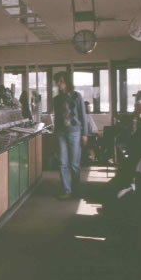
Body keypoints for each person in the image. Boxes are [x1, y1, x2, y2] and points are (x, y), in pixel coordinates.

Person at [52, 71, 87, 199]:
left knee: (74, 164)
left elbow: (83, 116)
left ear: (67, 82)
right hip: (61, 133)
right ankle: (67, 191)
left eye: (61, 81)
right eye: (58, 82)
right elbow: (56, 118)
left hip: (75, 133)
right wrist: (55, 134)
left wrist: (85, 134)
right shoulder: (56, 99)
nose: (59, 84)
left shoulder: (77, 96)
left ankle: (76, 190)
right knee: (62, 163)